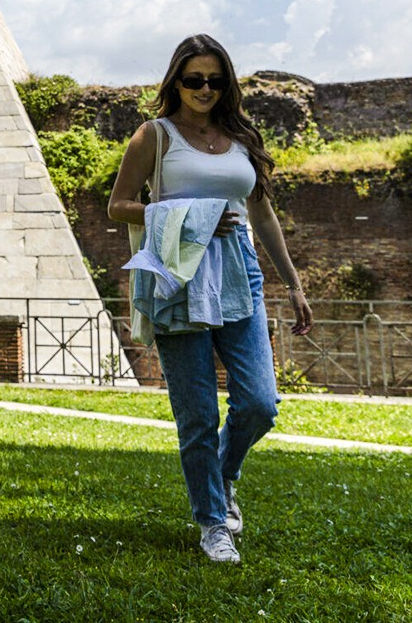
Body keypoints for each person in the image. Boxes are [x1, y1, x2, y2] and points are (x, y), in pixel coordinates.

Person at [107, 34, 313, 565]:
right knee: (197, 414)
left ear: (228, 84)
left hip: (238, 268)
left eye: (216, 80)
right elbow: (119, 205)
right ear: (176, 80)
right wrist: (189, 215)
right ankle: (212, 522)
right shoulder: (155, 135)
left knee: (260, 404)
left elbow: (262, 214)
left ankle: (222, 480)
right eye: (195, 78)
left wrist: (293, 283)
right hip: (178, 272)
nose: (205, 88)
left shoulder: (242, 136)